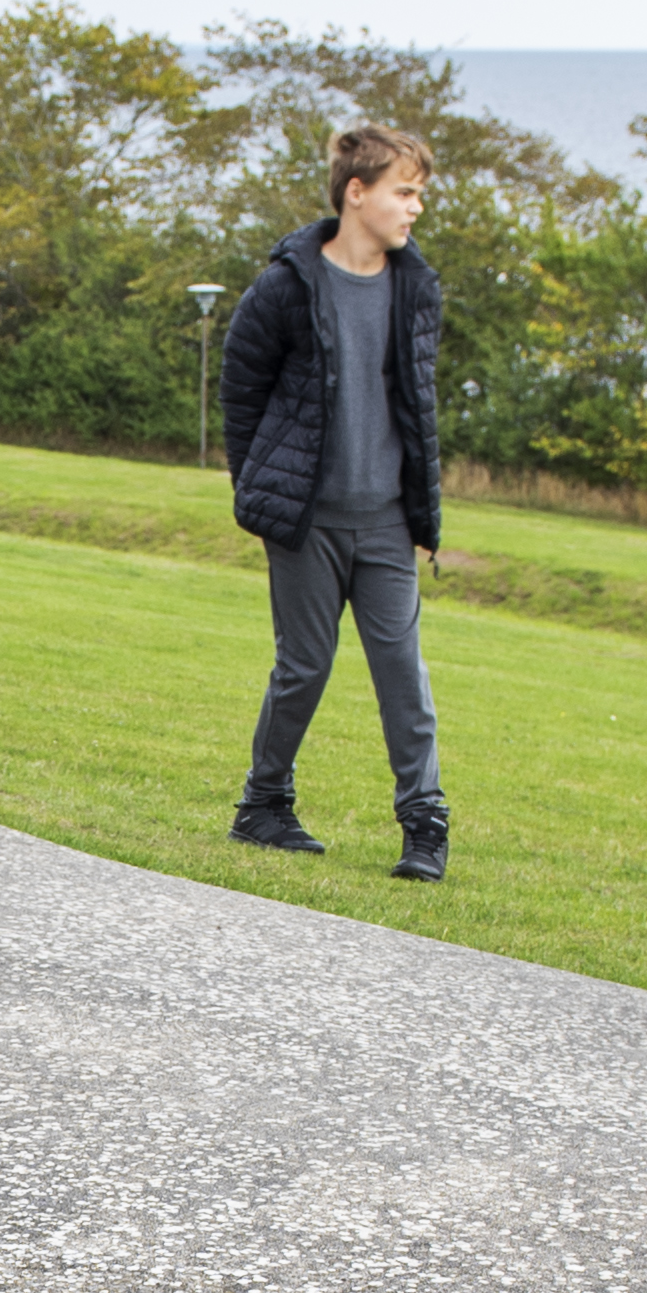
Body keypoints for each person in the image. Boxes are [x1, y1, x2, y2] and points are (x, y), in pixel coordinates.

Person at [212, 124, 451, 880]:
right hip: (306, 522)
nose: (416, 208)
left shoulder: (417, 286)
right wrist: (262, 490)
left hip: (386, 521)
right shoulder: (287, 284)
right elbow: (241, 391)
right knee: (303, 668)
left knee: (402, 675)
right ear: (358, 193)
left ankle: (424, 825)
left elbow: (421, 406)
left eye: (418, 193)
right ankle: (264, 807)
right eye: (404, 192)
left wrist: (425, 519)